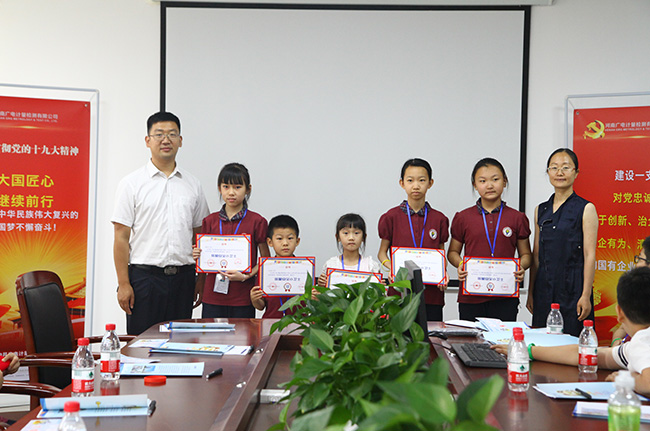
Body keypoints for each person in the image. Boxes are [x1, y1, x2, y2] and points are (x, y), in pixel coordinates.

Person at [112, 112, 210, 335]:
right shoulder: (131, 184)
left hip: (184, 279)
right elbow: (121, 237)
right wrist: (124, 283)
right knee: (141, 348)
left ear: (180, 141)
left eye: (172, 134)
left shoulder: (193, 184)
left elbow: (201, 235)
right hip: (144, 280)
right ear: (147, 141)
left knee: (181, 349)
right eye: (159, 134)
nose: (166, 140)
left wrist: (200, 279)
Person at [493, 267, 650, 395]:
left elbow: (648, 383)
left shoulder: (643, 339)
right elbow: (590, 355)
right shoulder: (636, 344)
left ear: (619, 312)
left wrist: (628, 379)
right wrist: (529, 351)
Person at [448, 157, 532, 321]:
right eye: (483, 181)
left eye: (495, 179)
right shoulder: (463, 217)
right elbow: (452, 252)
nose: (490, 185)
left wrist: (520, 267)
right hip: (471, 296)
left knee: (501, 343)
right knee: (470, 343)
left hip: (505, 295)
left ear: (505, 181)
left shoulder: (517, 218)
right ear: (475, 185)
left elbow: (527, 255)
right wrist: (461, 265)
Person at [527, 148, 598, 337]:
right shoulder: (540, 210)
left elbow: (590, 255)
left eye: (566, 167)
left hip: (573, 289)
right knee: (541, 343)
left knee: (573, 345)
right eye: (554, 167)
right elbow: (536, 255)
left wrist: (585, 294)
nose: (559, 173)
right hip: (544, 287)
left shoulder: (586, 208)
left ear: (576, 173)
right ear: (548, 172)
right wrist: (531, 292)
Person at [193, 163, 270, 318]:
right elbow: (202, 262)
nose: (231, 192)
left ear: (248, 189)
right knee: (212, 341)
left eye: (237, 187)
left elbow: (265, 259)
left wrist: (246, 276)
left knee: (243, 339)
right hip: (212, 296)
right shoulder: (210, 221)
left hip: (243, 296)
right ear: (219, 188)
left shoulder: (257, 221)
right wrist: (197, 254)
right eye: (226, 186)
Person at [378, 158, 449, 321]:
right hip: (400, 291)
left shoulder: (439, 219)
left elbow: (441, 252)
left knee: (431, 341)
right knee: (399, 342)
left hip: (431, 293)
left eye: (421, 180)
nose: (416, 185)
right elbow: (382, 253)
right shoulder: (391, 217)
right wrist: (391, 267)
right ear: (402, 183)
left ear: (430, 183)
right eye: (410, 180)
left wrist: (443, 272)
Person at [250, 215, 302, 318]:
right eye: (279, 238)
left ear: (297, 241)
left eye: (290, 238)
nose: (285, 243)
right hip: (270, 324)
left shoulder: (304, 268)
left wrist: (315, 297)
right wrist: (255, 299)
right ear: (270, 242)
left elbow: (310, 302)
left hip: (299, 324)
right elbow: (261, 306)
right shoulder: (266, 269)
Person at [319, 213, 381, 287]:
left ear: (364, 237)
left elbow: (378, 296)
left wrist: (379, 288)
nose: (351, 237)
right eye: (346, 233)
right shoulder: (330, 265)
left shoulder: (371, 266)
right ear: (338, 237)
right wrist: (321, 285)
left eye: (356, 233)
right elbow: (324, 295)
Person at [611, 236, 650, 346]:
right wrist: (616, 342)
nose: (637, 264)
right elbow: (621, 330)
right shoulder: (637, 291)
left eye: (640, 258)